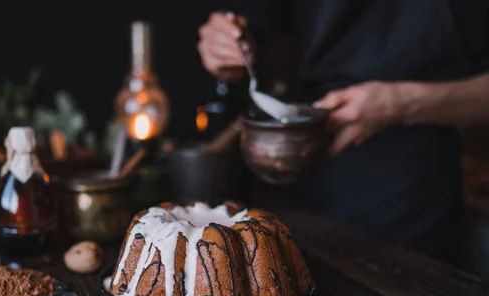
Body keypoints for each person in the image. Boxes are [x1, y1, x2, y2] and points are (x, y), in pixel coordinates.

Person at [197, 2, 489, 263]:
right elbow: (253, 31)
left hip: (409, 193)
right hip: (287, 182)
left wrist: (403, 104)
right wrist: (224, 45)